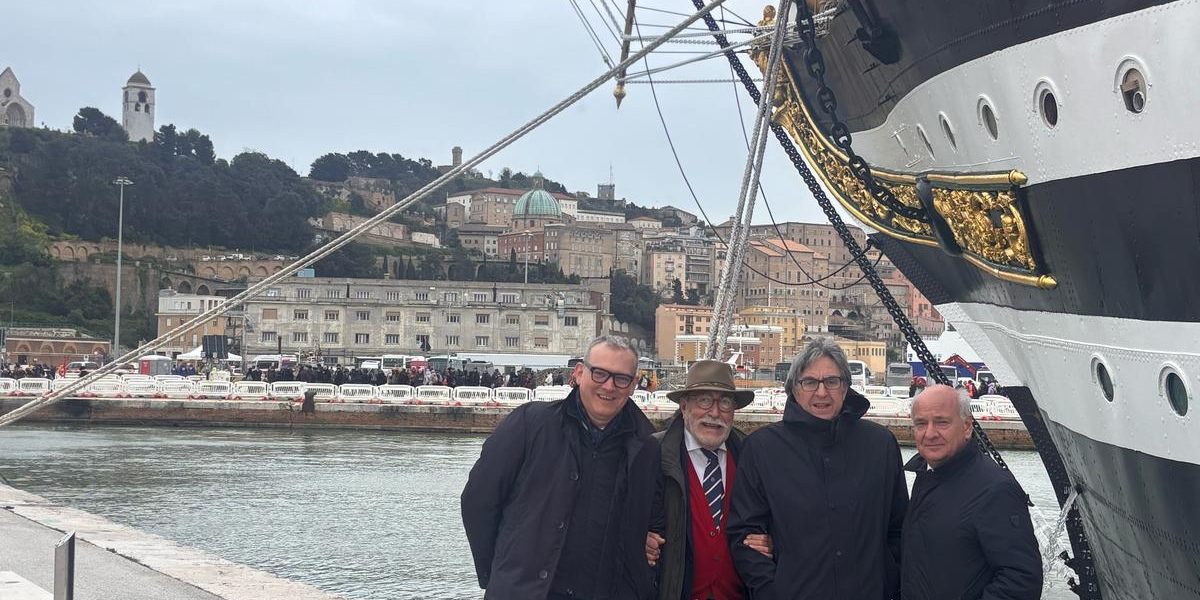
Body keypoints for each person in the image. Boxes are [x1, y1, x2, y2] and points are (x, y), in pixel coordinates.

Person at [461, 335, 660, 600]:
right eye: (599, 373)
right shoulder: (529, 424)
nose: (609, 386)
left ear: (634, 384)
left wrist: (641, 541)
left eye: (621, 378)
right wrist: (500, 572)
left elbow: (657, 523)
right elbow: (478, 501)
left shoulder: (648, 446)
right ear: (579, 373)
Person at [726, 337, 908, 599]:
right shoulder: (762, 449)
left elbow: (899, 529)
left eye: (831, 381)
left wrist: (886, 582)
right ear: (794, 389)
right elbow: (744, 536)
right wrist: (773, 591)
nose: (821, 392)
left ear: (845, 387)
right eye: (810, 382)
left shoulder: (881, 445)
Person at [902, 385, 1042, 599]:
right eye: (921, 424)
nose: (930, 433)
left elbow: (1021, 580)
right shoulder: (927, 475)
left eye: (941, 422)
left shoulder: (995, 489)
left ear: (967, 427)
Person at [647, 360, 767, 600]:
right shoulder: (652, 454)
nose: (714, 412)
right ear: (684, 407)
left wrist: (773, 542)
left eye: (725, 402)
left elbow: (779, 520)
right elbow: (625, 519)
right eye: (704, 400)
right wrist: (638, 538)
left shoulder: (753, 458)